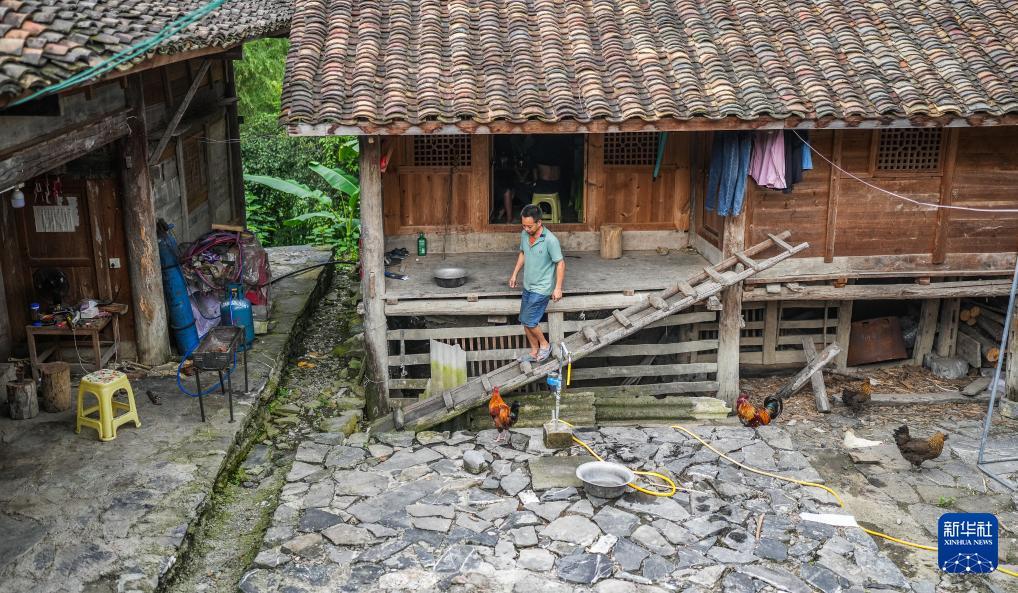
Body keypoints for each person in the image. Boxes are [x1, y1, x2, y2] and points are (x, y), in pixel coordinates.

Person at [508, 204, 565, 362]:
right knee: (524, 320)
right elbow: (523, 253)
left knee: (530, 321)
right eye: (523, 226)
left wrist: (558, 288)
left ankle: (545, 345)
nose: (526, 229)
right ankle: (534, 351)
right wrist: (514, 274)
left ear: (539, 222)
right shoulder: (524, 235)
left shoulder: (550, 240)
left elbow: (560, 263)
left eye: (529, 226)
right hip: (528, 285)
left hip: (542, 288)